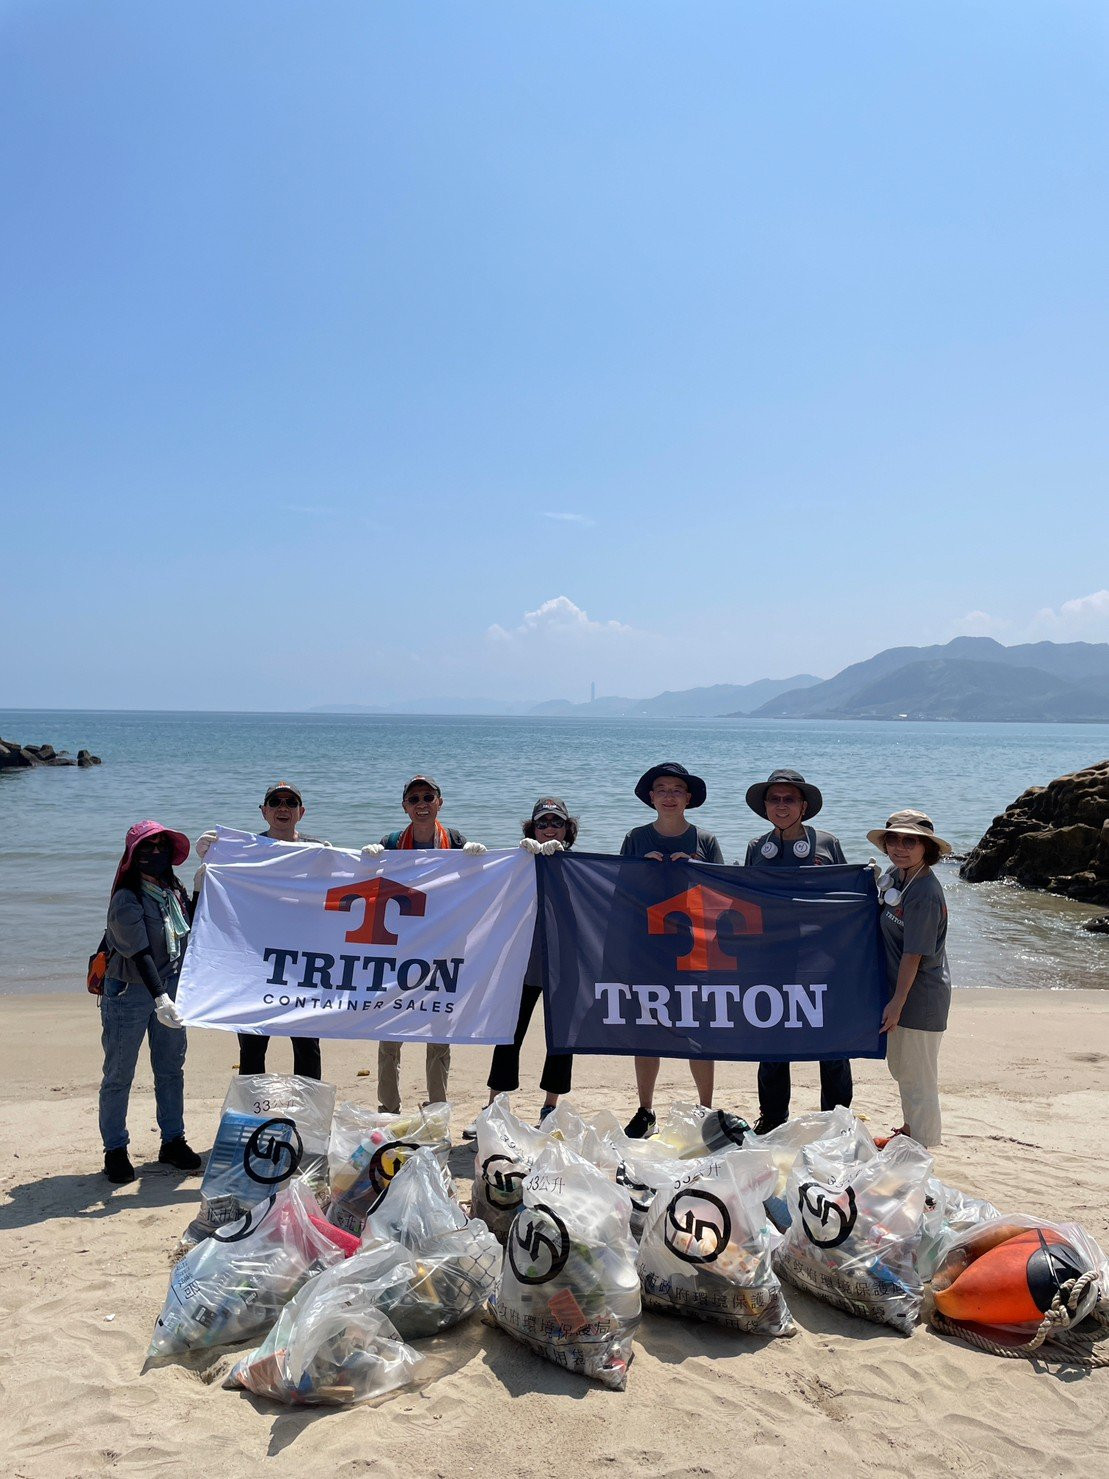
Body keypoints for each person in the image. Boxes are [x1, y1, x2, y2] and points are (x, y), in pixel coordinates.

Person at [360, 775, 487, 1113]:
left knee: (439, 1029)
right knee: (390, 1029)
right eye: (414, 799)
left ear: (439, 802)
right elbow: (369, 888)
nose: (421, 804)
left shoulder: (456, 842)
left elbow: (479, 886)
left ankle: (437, 1105)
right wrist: (369, 860)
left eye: (428, 797)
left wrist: (478, 861)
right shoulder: (390, 842)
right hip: (398, 950)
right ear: (405, 807)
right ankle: (388, 1107)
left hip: (444, 949)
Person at [743, 768, 853, 1135]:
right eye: (774, 799)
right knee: (772, 1040)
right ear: (765, 807)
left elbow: (849, 899)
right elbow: (743, 901)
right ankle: (773, 1119)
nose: (781, 805)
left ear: (804, 805)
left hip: (822, 959)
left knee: (832, 1040)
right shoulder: (756, 848)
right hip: (772, 959)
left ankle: (835, 1120)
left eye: (789, 799)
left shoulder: (828, 843)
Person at [194, 781, 327, 1081]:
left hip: (303, 964)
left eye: (290, 803)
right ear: (264, 811)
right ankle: (251, 1116)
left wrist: (367, 863)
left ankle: (308, 1115)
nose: (283, 808)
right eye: (276, 802)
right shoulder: (245, 851)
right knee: (252, 1045)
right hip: (256, 963)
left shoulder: (318, 851)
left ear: (301, 812)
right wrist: (213, 859)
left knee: (308, 1045)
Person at [463, 798, 577, 1139]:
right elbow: (482, 891)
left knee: (561, 1041)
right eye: (542, 824)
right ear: (532, 829)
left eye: (556, 822)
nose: (549, 828)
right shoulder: (518, 862)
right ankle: (495, 1107)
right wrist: (474, 861)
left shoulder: (578, 866)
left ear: (567, 829)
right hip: (521, 964)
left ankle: (550, 1109)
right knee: (508, 1035)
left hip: (563, 964)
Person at [620, 762, 723, 1137]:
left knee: (699, 1029)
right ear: (651, 797)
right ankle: (645, 1109)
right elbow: (618, 894)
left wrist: (697, 869)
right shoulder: (636, 838)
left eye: (676, 789)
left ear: (688, 798)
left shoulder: (704, 841)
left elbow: (725, 897)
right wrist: (639, 871)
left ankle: (704, 1110)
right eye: (661, 789)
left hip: (694, 948)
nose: (668, 795)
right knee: (647, 1029)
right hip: (647, 948)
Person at [99, 820, 202, 1184]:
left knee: (171, 1069)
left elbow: (197, 928)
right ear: (131, 856)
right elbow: (140, 953)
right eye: (146, 848)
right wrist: (161, 997)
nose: (154, 853)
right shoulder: (126, 898)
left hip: (171, 988)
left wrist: (204, 885)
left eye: (160, 846)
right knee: (119, 1074)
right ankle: (115, 1149)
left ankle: (172, 1141)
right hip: (129, 991)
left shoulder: (172, 891)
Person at [866, 808, 953, 1148]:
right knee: (902, 1068)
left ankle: (925, 1144)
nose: (900, 847)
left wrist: (897, 1003)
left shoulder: (925, 893)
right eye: (894, 840)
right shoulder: (897, 875)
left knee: (919, 1077)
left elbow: (913, 955)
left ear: (925, 847)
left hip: (921, 997)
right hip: (900, 992)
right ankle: (911, 1129)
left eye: (910, 841)